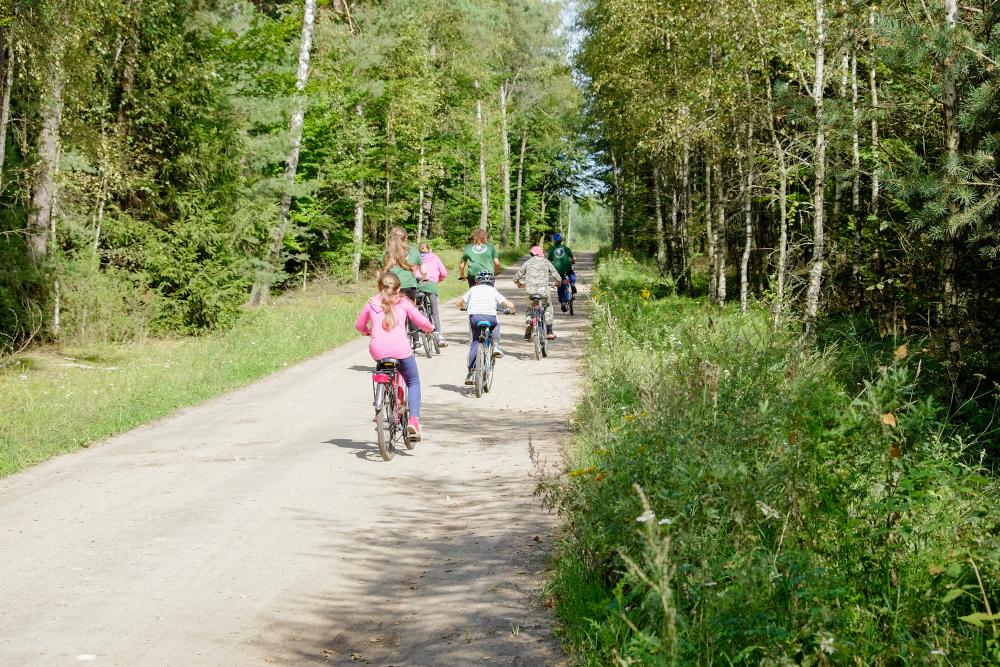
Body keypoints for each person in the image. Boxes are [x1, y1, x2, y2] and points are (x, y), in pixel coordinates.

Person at [355, 272, 435, 440]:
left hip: (378, 350)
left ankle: (386, 402)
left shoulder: (371, 302)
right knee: (413, 382)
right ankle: (413, 421)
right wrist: (430, 328)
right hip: (400, 349)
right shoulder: (403, 302)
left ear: (379, 286)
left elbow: (359, 325)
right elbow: (421, 321)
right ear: (398, 289)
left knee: (384, 370)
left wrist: (367, 331)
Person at [459, 271, 515, 385]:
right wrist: (511, 310)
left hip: (475, 318)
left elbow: (459, 303)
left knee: (475, 341)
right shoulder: (493, 291)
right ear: (492, 282)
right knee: (496, 323)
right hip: (490, 318)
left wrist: (462, 307)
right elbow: (510, 305)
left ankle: (471, 373)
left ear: (477, 281)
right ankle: (496, 345)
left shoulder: (473, 289)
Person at [383, 226, 424, 346]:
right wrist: (423, 277)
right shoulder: (413, 251)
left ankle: (398, 339)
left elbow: (382, 270)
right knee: (410, 311)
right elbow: (422, 267)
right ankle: (416, 341)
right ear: (405, 238)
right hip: (409, 285)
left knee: (395, 313)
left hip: (392, 286)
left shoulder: (387, 253)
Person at [513, 245, 561, 340]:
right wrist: (557, 284)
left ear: (532, 254)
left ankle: (529, 322)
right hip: (543, 292)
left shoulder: (527, 263)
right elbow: (558, 277)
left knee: (530, 307)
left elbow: (515, 278)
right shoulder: (546, 262)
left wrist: (519, 284)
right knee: (548, 306)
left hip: (530, 292)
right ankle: (549, 331)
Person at [416, 242, 448, 347]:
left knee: (419, 307)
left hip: (419, 284)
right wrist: (437, 280)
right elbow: (443, 273)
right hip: (432, 284)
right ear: (429, 249)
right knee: (435, 311)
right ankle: (439, 335)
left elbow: (413, 272)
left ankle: (421, 331)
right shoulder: (434, 257)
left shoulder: (416, 258)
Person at [547, 232, 576, 311]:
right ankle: (572, 283)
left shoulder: (552, 250)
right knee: (572, 276)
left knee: (560, 286)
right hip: (567, 268)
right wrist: (573, 261)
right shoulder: (566, 248)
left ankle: (563, 302)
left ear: (554, 241)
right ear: (561, 240)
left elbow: (549, 261)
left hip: (558, 271)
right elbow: (573, 258)